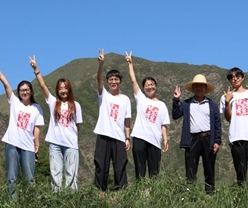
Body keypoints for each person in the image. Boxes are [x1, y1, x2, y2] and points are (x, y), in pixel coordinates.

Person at [0, 59, 44, 198]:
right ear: (18, 92)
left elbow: (36, 128)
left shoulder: (37, 108)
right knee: (11, 177)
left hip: (28, 147)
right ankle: (13, 204)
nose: (24, 92)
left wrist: (37, 145)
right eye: (22, 90)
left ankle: (31, 204)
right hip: (12, 144)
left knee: (30, 178)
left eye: (27, 90)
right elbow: (6, 84)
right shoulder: (14, 102)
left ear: (31, 91)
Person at [29, 55, 83, 191]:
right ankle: (56, 198)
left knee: (72, 174)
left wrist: (75, 140)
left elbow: (77, 126)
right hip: (55, 144)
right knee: (55, 173)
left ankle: (72, 199)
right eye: (60, 88)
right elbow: (42, 86)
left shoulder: (76, 105)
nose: (63, 90)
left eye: (65, 88)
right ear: (57, 90)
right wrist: (36, 69)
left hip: (71, 144)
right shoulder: (53, 102)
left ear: (69, 89)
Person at [172, 74, 221, 194]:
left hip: (208, 138)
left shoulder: (212, 104)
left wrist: (217, 141)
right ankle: (190, 194)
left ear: (205, 88)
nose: (199, 88)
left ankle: (210, 194)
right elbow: (175, 115)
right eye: (196, 86)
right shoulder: (186, 104)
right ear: (193, 88)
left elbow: (217, 124)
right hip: (192, 140)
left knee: (209, 168)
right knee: (190, 169)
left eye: (202, 86)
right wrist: (176, 100)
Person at [124, 51, 170, 179]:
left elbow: (164, 125)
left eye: (152, 85)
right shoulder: (141, 98)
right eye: (147, 85)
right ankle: (140, 190)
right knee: (140, 170)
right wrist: (130, 63)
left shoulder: (162, 105)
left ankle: (153, 191)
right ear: (143, 88)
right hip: (139, 138)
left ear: (156, 86)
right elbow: (133, 81)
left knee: (154, 172)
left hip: (155, 140)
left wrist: (165, 139)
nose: (150, 87)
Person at [93, 49, 132, 191]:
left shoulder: (125, 99)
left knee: (120, 167)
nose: (113, 82)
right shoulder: (104, 95)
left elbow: (127, 121)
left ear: (120, 82)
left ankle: (121, 193)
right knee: (101, 166)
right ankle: (99, 192)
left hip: (119, 138)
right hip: (103, 135)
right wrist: (101, 64)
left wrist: (127, 138)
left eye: (116, 79)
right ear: (107, 82)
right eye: (111, 80)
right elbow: (98, 79)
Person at [221, 67, 248, 189]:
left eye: (237, 76)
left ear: (243, 77)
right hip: (236, 137)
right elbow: (228, 118)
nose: (235, 79)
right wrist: (227, 102)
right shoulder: (226, 96)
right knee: (240, 171)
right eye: (232, 77)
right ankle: (242, 196)